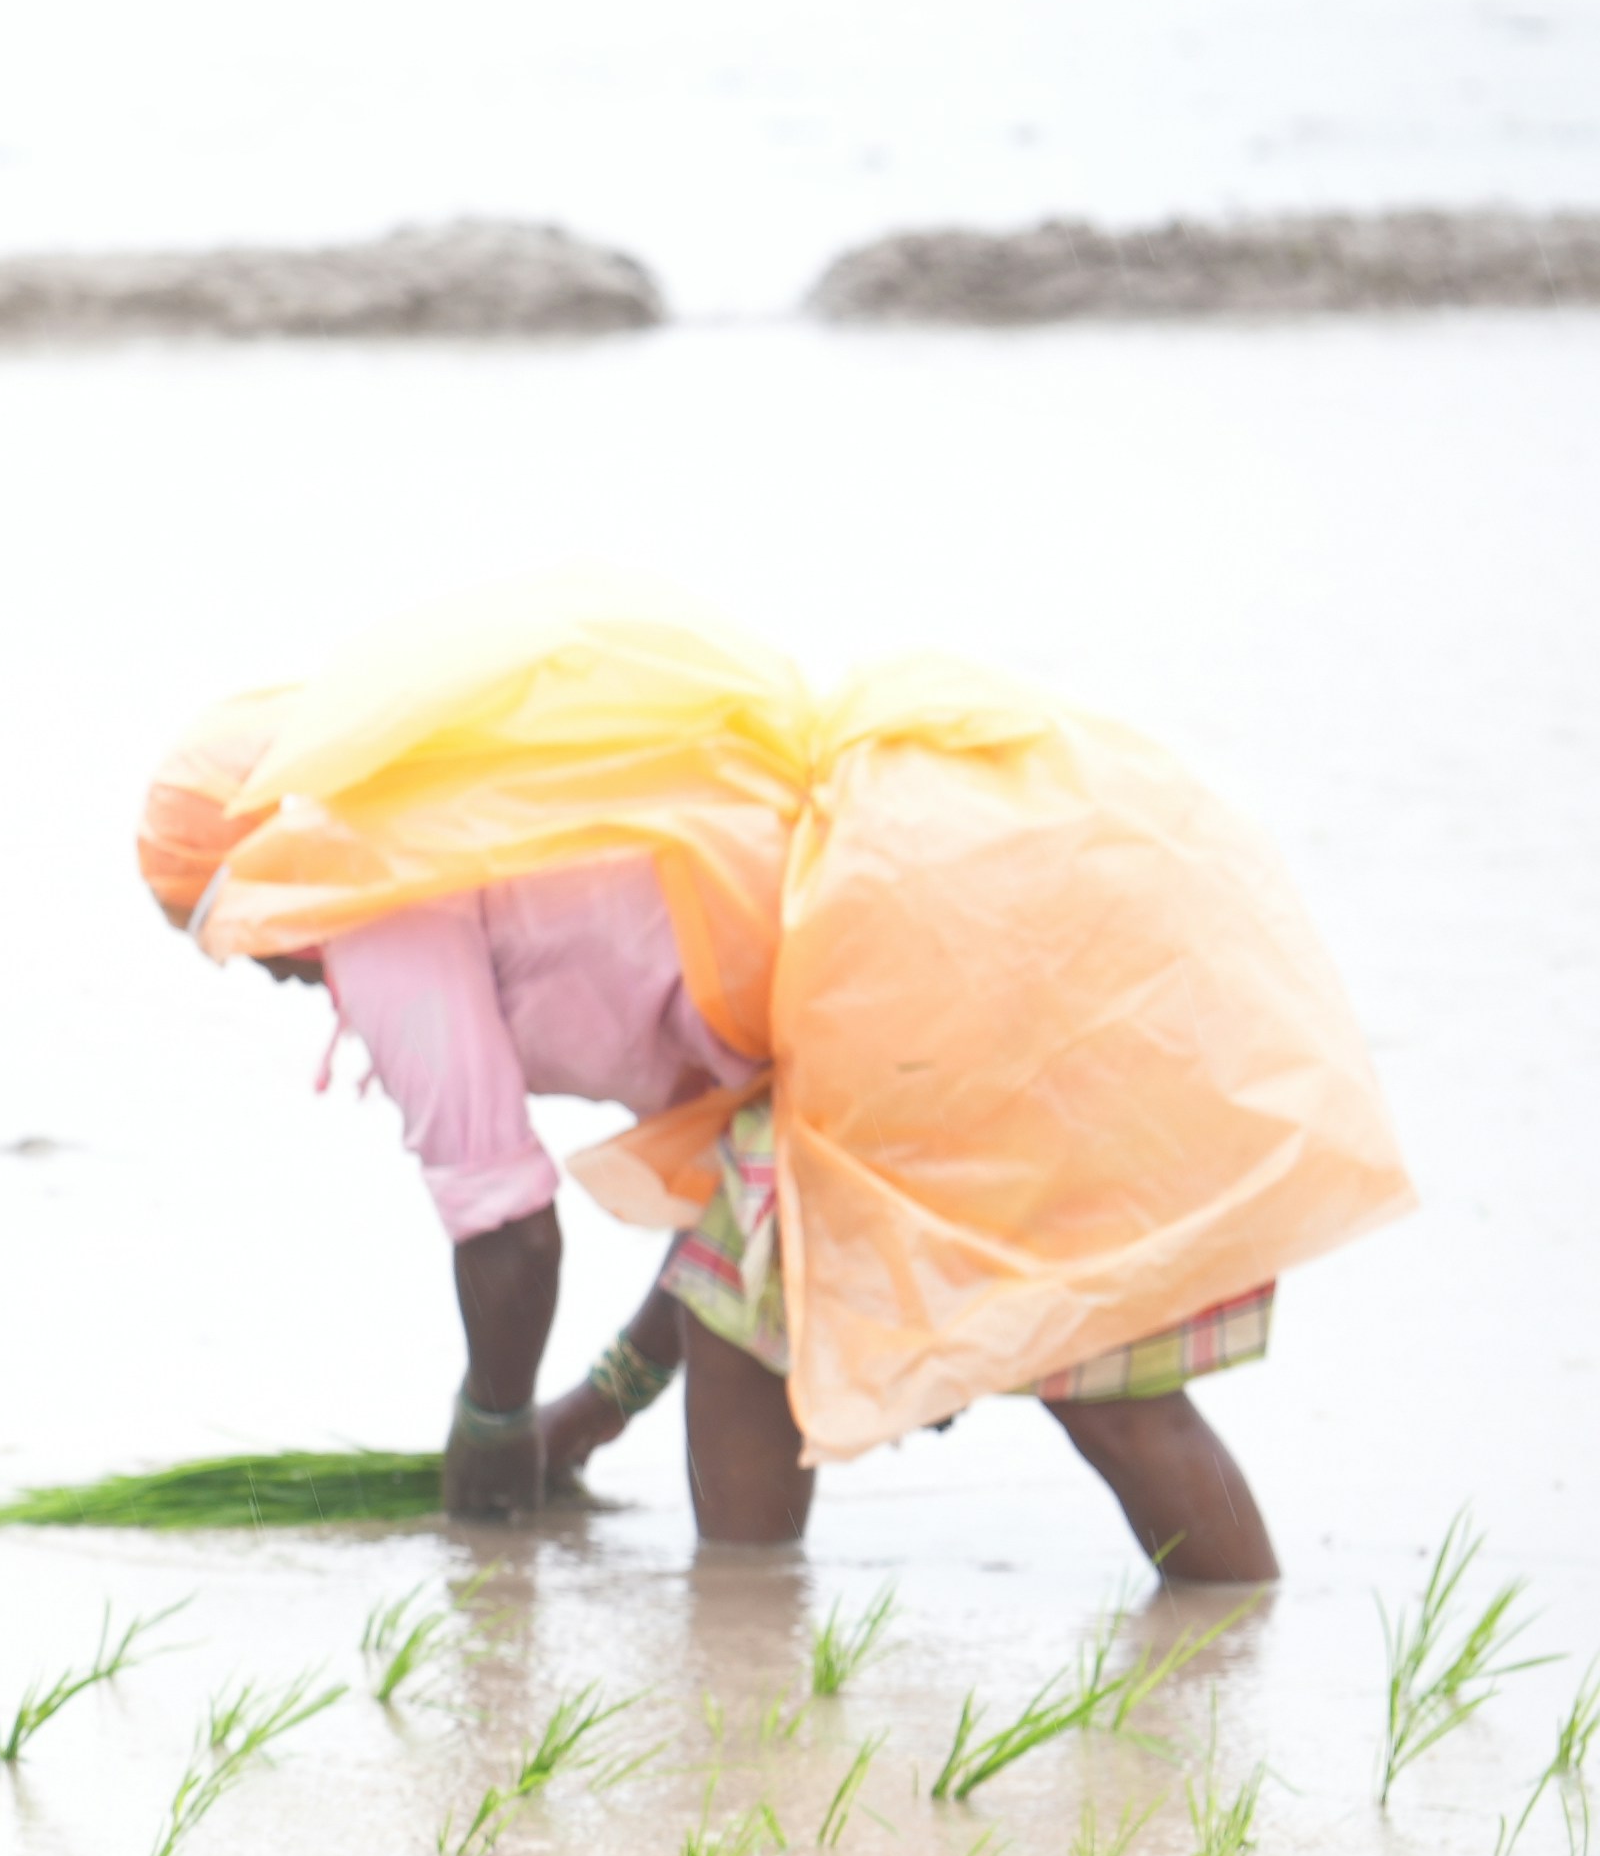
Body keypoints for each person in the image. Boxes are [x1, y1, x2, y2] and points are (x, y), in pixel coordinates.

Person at [132, 583, 1405, 1587]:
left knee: (1092, 1376)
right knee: (899, 1343)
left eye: (239, 933)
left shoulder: (381, 911)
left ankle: (756, 1675)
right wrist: (598, 1411)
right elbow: (739, 1199)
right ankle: (1205, 1654)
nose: (269, 971)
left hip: (913, 965)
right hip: (935, 893)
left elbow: (507, 1233)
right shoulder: (481, 816)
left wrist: (492, 1428)